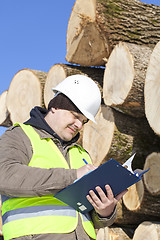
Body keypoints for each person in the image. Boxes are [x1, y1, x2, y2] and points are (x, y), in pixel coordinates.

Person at [0, 74, 127, 240]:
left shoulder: (81, 154)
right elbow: (5, 175)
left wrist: (105, 212)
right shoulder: (20, 136)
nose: (79, 125)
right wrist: (72, 176)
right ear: (55, 107)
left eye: (83, 120)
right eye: (75, 115)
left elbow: (87, 216)